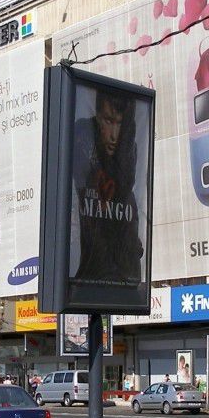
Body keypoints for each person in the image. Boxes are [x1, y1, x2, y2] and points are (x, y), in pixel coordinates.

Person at [71, 90, 144, 284]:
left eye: (119, 123)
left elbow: (124, 183)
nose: (113, 135)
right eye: (108, 121)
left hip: (123, 273)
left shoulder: (129, 150)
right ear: (97, 118)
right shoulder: (83, 137)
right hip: (95, 270)